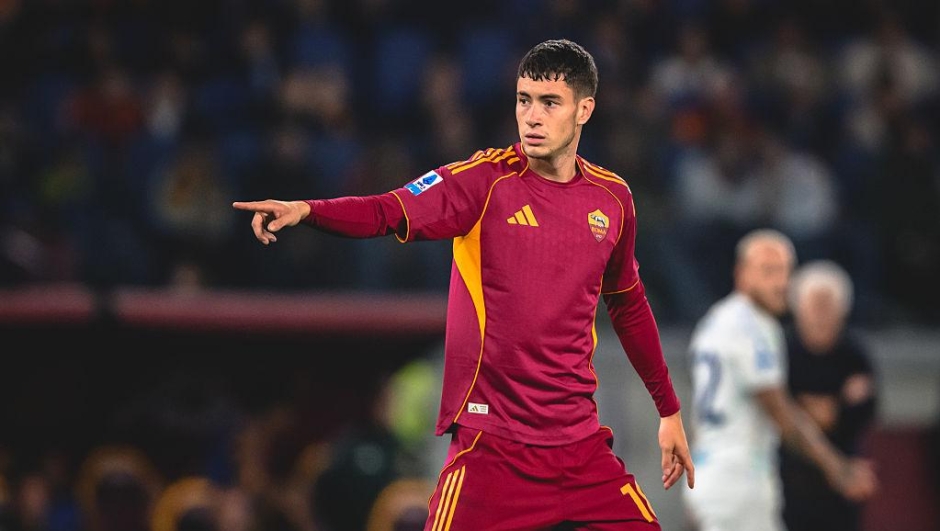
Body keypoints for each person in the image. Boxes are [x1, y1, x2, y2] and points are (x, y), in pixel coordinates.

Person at [234, 38, 694, 530]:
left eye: (549, 102)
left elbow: (628, 305)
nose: (532, 116)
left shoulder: (612, 198)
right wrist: (307, 210)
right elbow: (389, 210)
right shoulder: (483, 181)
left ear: (584, 110)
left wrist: (668, 410)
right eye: (524, 100)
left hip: (580, 451)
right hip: (492, 451)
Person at [681, 229, 877, 531]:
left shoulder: (715, 320)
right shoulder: (753, 327)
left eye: (786, 270)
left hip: (718, 472)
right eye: (768, 271)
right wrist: (838, 469)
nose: (781, 282)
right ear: (741, 274)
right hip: (740, 479)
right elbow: (780, 412)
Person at [780, 260, 878, 531]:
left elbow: (866, 410)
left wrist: (815, 409)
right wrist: (837, 404)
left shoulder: (854, 352)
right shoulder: (783, 350)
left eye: (828, 306)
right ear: (798, 308)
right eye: (815, 305)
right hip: (789, 476)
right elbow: (782, 414)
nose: (821, 315)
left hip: (843, 474)